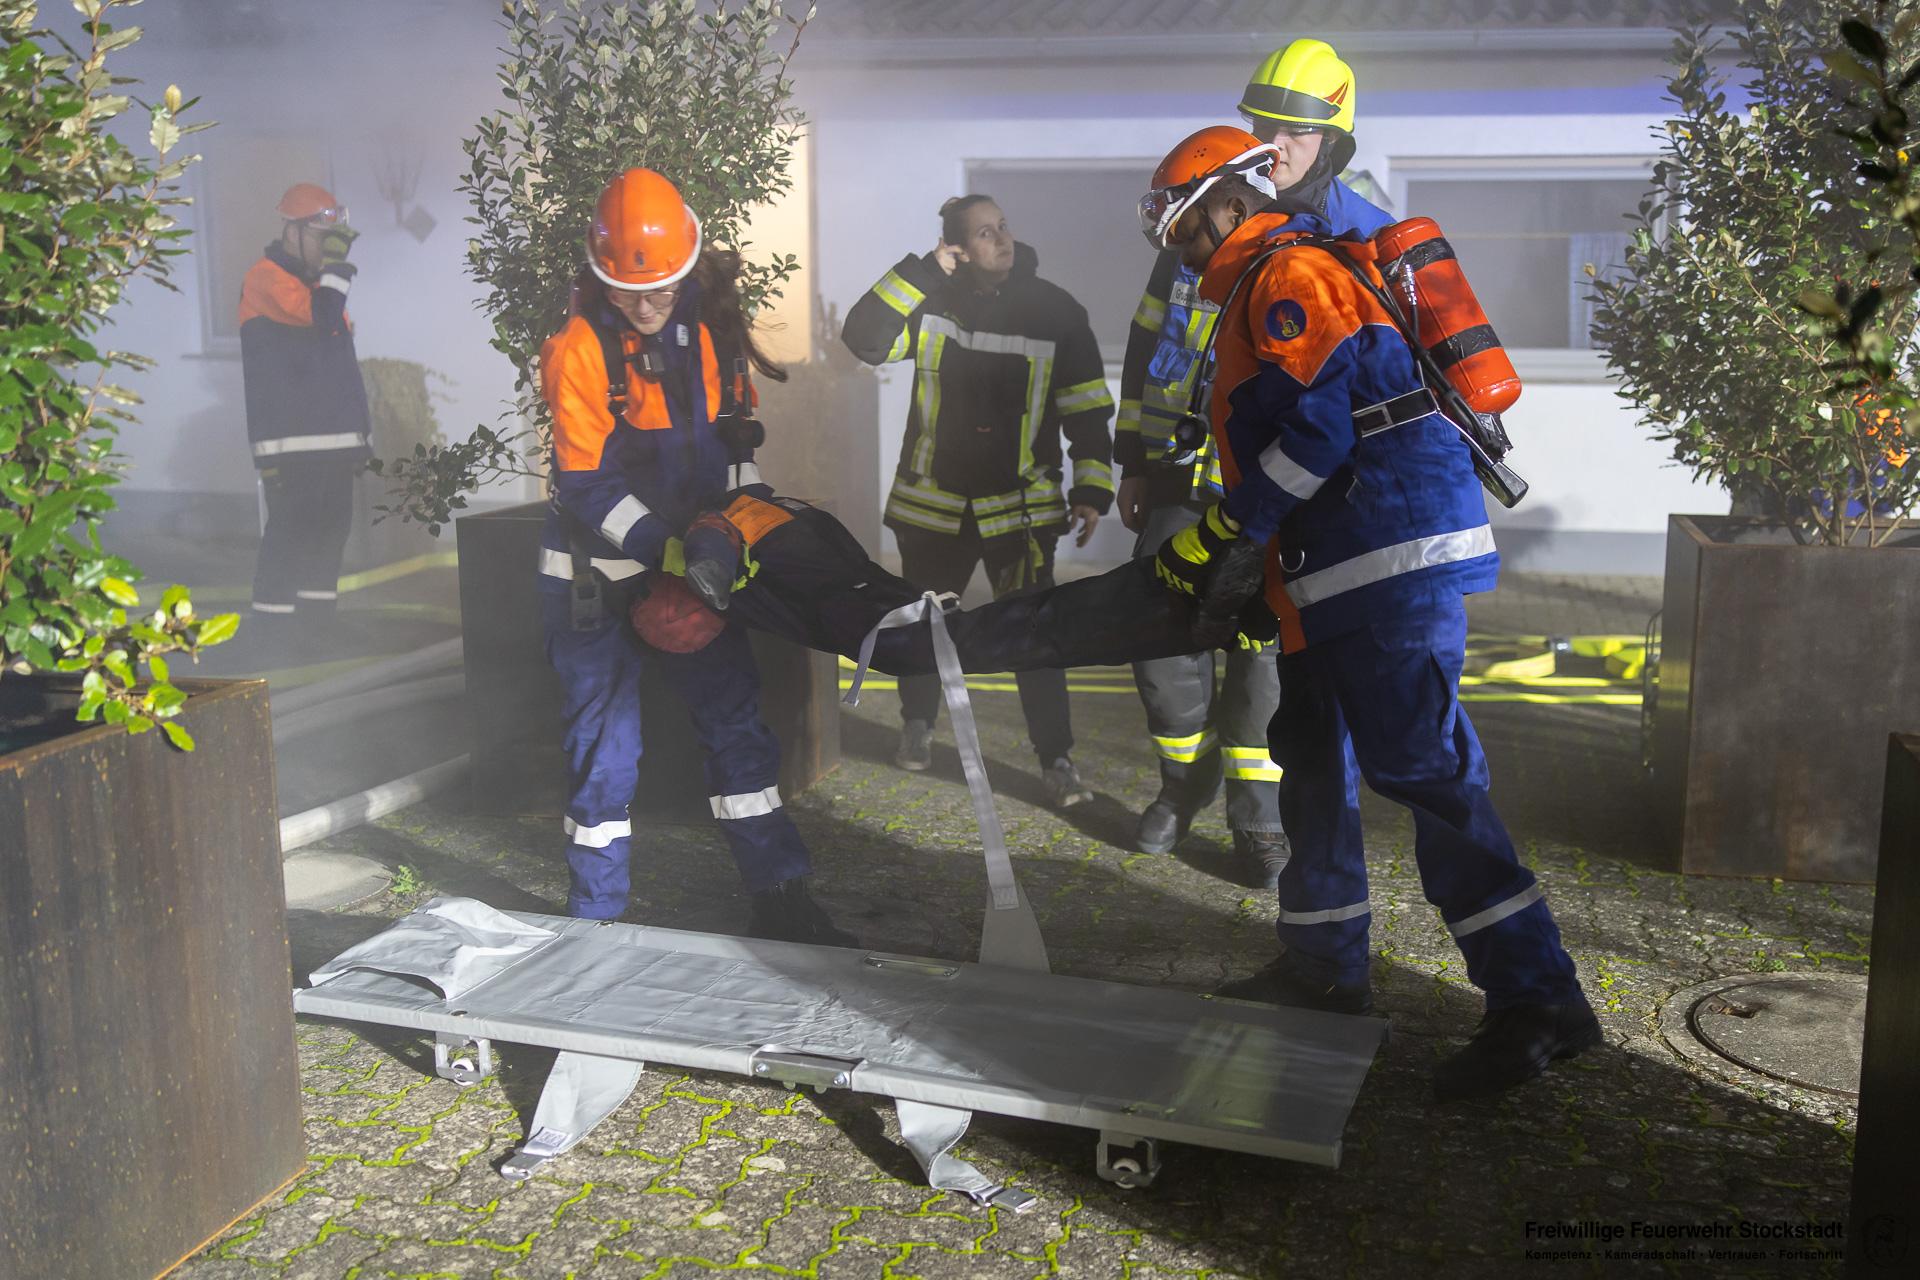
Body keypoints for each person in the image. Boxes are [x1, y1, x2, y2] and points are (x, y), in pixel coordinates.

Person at [1138, 136, 1601, 1099]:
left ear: (1227, 205)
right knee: (1309, 757)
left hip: (1389, 559)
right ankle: (1322, 965)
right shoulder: (1252, 287)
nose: (1179, 250)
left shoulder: (1290, 276)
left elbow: (1321, 429)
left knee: (1426, 773)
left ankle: (1540, 1000)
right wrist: (1262, 575)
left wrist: (1227, 532)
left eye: (1183, 228)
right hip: (1327, 573)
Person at [536, 167, 854, 946]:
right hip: (596, 583)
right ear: (601, 275)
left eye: (661, 290)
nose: (647, 307)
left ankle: (782, 900)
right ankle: (595, 924)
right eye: (629, 292)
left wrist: (743, 527)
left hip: (694, 574)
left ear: (686, 268)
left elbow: (733, 452)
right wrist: (673, 553)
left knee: (738, 731)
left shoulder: (710, 336)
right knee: (604, 756)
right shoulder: (578, 349)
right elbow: (585, 485)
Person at [1115, 40, 1394, 883]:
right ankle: (1181, 785)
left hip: (1288, 492)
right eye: (1260, 122)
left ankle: (1258, 820)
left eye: (1293, 130)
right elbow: (1146, 344)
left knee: (1262, 658)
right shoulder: (1209, 202)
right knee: (1158, 636)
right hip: (1183, 474)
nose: (1272, 142)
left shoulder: (1360, 234)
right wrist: (1132, 460)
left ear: (1333, 138)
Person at [843, 195, 1116, 810]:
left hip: (1019, 513)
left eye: (1004, 227)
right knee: (924, 629)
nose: (1003, 239)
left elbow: (1087, 406)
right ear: (958, 250)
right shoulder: (931, 302)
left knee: (1036, 640)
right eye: (985, 233)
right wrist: (921, 273)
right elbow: (864, 340)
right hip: (934, 508)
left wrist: (1092, 488)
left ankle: (1056, 759)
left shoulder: (1056, 311)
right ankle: (917, 725)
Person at [238, 182, 371, 620]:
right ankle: (272, 632)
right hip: (291, 443)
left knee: (330, 534)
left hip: (332, 440)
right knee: (290, 535)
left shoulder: (317, 287)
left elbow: (337, 361)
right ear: (291, 232)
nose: (326, 248)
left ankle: (317, 628)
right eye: (320, 237)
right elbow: (321, 317)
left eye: (332, 239)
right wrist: (337, 269)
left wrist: (358, 436)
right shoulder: (266, 278)